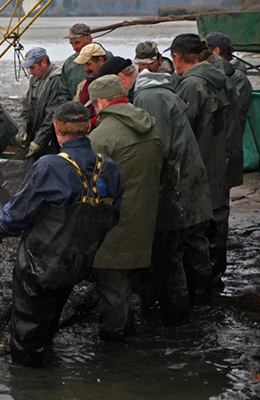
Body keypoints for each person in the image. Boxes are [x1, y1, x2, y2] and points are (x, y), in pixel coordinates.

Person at [0, 101, 124, 367]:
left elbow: (18, 213)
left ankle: (29, 382)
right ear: (89, 126)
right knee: (52, 316)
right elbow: (112, 217)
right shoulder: (109, 167)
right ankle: (49, 366)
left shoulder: (49, 166)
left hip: (39, 265)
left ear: (57, 129)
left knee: (27, 331)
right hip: (77, 262)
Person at [133, 68, 214, 321]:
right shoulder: (165, 93)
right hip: (189, 185)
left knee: (170, 257)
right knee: (192, 245)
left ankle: (178, 316)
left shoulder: (149, 98)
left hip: (175, 188)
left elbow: (161, 146)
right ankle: (202, 300)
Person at [86, 75, 162, 341]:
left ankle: (114, 352)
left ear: (102, 102)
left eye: (94, 105)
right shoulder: (149, 124)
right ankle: (138, 334)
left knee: (112, 289)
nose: (93, 109)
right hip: (145, 221)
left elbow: (88, 187)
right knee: (130, 286)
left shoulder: (101, 137)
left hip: (115, 227)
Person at [170, 33, 231, 296]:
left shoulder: (190, 85)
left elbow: (182, 132)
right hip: (217, 159)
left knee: (195, 235)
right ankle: (213, 284)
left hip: (199, 166)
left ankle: (201, 291)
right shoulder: (218, 77)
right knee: (214, 228)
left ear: (177, 57)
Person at [206, 32, 253, 189]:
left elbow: (230, 116)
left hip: (225, 146)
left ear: (217, 52)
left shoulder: (236, 78)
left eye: (206, 51)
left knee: (219, 191)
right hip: (222, 145)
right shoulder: (230, 74)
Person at [15, 47, 64, 159]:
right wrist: (23, 130)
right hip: (36, 137)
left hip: (51, 141)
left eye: (33, 67)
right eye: (28, 69)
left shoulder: (56, 80)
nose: (30, 72)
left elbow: (52, 115)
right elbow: (26, 108)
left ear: (44, 62)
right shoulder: (34, 80)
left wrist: (39, 141)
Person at [57, 23, 92, 104]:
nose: (74, 47)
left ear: (89, 39)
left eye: (77, 42)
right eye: (71, 43)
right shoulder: (69, 64)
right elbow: (63, 93)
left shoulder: (105, 57)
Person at [72, 42, 109, 119]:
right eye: (84, 65)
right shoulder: (83, 85)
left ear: (101, 60)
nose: (85, 69)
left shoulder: (112, 84)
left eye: (89, 64)